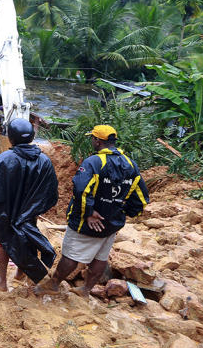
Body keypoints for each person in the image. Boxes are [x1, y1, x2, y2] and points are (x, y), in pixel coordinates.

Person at [36, 125, 149, 297]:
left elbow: (81, 189)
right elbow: (140, 198)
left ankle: (54, 284)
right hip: (111, 223)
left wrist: (88, 213)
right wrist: (122, 211)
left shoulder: (94, 162)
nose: (92, 141)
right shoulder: (130, 164)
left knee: (70, 256)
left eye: (93, 138)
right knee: (100, 257)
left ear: (98, 140)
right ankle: (86, 289)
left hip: (88, 222)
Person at [0, 118, 59, 291]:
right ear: (32, 136)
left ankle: (2, 281)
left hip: (7, 212)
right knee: (27, 238)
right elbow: (50, 191)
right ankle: (20, 273)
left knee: (5, 243)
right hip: (29, 213)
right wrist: (34, 208)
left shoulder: (4, 159)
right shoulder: (44, 161)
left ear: (10, 138)